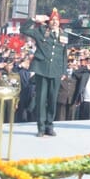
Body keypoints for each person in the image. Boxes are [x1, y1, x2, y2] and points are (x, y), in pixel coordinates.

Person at [21, 8, 69, 136]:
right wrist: (34, 19)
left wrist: (64, 71)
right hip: (42, 69)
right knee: (41, 100)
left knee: (53, 100)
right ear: (48, 21)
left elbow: (64, 55)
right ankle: (41, 128)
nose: (54, 22)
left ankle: (49, 126)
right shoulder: (41, 31)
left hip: (56, 70)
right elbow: (24, 30)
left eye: (56, 20)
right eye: (52, 20)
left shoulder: (64, 35)